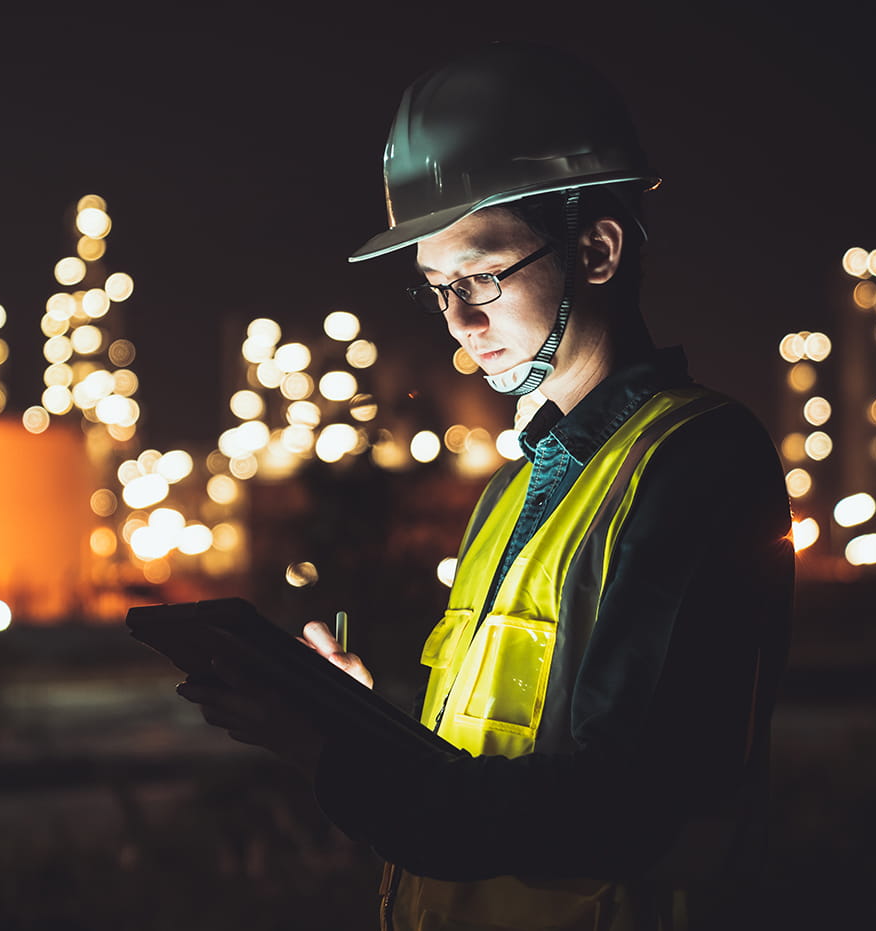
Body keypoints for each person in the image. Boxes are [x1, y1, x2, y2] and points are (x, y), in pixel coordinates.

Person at [177, 41, 794, 931]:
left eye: (482, 275)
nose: (461, 320)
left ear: (597, 248)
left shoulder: (697, 462)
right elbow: (489, 765)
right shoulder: (511, 492)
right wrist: (356, 723)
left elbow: (619, 804)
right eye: (436, 288)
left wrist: (332, 758)